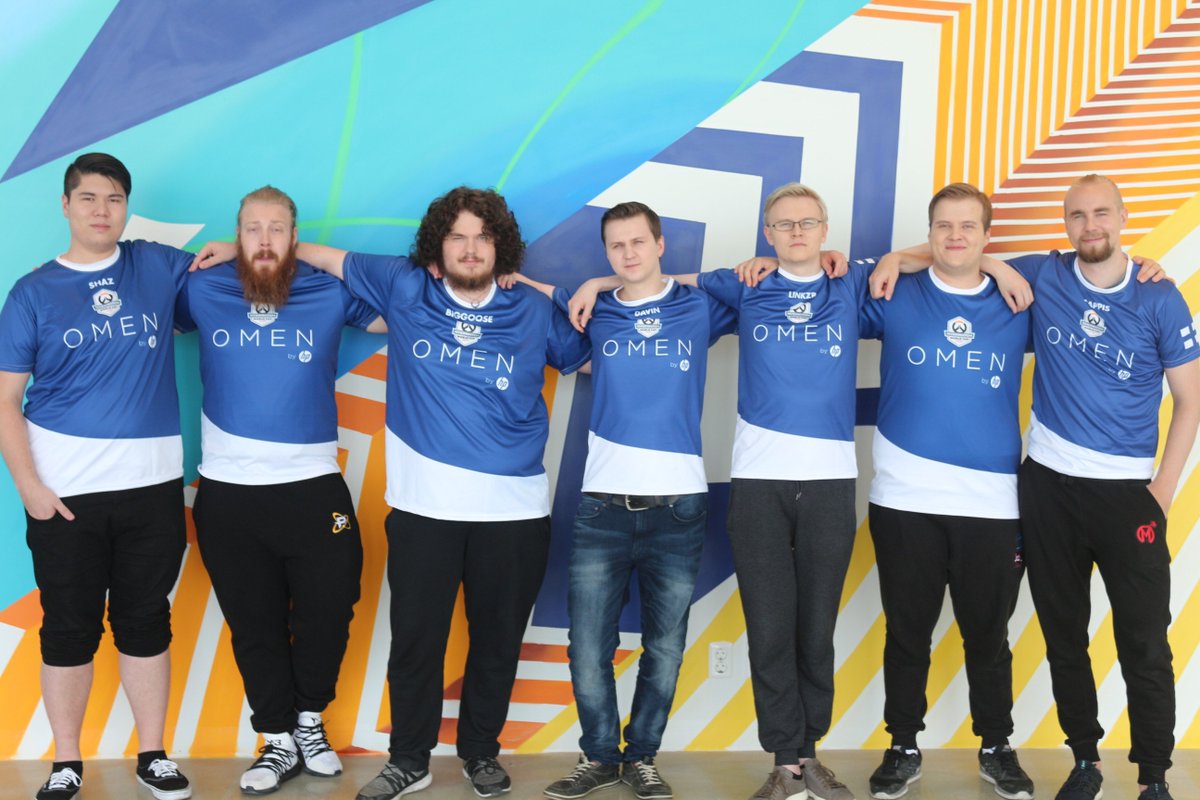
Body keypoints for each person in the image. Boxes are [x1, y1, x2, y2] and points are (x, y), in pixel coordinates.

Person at [213, 186, 590, 800]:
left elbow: (592, 356)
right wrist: (245, 245)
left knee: (496, 645)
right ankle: (409, 760)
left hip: (516, 511)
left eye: (483, 237)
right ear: (437, 248)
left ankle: (481, 754)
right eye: (457, 237)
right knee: (416, 644)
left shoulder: (531, 308)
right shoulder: (405, 286)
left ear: (501, 246)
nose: (471, 248)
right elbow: (321, 255)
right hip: (423, 511)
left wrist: (553, 290)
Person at [0, 153, 192, 800]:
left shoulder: (155, 266)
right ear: (65, 205)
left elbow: (226, 268)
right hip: (65, 495)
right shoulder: (32, 292)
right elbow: (5, 399)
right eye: (87, 198)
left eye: (113, 198)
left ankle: (154, 755)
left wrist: (234, 245)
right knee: (68, 627)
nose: (101, 210)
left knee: (147, 620)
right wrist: (29, 487)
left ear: (126, 207)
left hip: (152, 487)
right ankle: (66, 762)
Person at [180, 186, 384, 793]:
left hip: (313, 485)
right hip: (228, 491)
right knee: (254, 622)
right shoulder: (201, 287)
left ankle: (308, 722)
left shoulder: (329, 290)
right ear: (236, 233)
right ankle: (276, 739)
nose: (264, 240)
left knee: (331, 606)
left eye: (277, 229)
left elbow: (404, 304)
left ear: (295, 236)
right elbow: (129, 290)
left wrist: (307, 254)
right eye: (252, 229)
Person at [531, 202, 735, 800]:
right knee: (587, 647)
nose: (628, 253)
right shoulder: (594, 311)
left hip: (680, 505)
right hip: (603, 504)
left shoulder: (698, 305)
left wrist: (596, 279)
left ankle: (642, 757)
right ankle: (599, 757)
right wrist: (589, 287)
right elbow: (543, 296)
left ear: (660, 244)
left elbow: (767, 274)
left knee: (664, 648)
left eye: (638, 242)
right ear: (607, 251)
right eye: (616, 246)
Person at [1009, 175, 1199, 800]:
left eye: (1100, 213)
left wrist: (1162, 491)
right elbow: (962, 254)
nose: (1089, 226)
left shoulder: (1159, 296)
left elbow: (1190, 400)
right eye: (1076, 215)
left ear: (1122, 217)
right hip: (1048, 488)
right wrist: (894, 261)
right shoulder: (1046, 274)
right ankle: (1084, 761)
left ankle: (1153, 777)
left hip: (1126, 496)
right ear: (1065, 222)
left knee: (1144, 640)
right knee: (1063, 634)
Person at [860, 183, 1035, 800]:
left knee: (988, 636)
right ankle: (902, 745)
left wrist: (995, 266)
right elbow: (810, 278)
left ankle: (997, 746)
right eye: (943, 227)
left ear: (988, 235)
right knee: (907, 632)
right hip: (905, 498)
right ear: (929, 233)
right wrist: (894, 257)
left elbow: (1095, 273)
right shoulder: (892, 291)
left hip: (991, 501)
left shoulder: (1020, 298)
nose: (955, 237)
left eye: (968, 227)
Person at [690, 183, 864, 800]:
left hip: (830, 483)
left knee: (815, 628)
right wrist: (598, 285)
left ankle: (811, 754)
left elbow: (924, 260)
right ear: (768, 233)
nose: (796, 232)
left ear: (824, 230)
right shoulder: (747, 284)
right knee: (768, 628)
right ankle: (785, 763)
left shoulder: (850, 283)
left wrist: (1003, 267)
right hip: (759, 483)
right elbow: (658, 281)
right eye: (784, 224)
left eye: (807, 223)